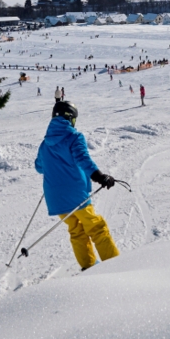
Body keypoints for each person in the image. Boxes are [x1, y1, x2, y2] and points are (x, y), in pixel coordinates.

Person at [34, 101, 120, 271]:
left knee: (76, 230)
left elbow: (39, 167)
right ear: (70, 118)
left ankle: (88, 267)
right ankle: (115, 266)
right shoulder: (74, 137)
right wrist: (99, 176)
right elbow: (83, 159)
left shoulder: (45, 144)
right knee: (96, 227)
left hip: (55, 198)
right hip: (75, 195)